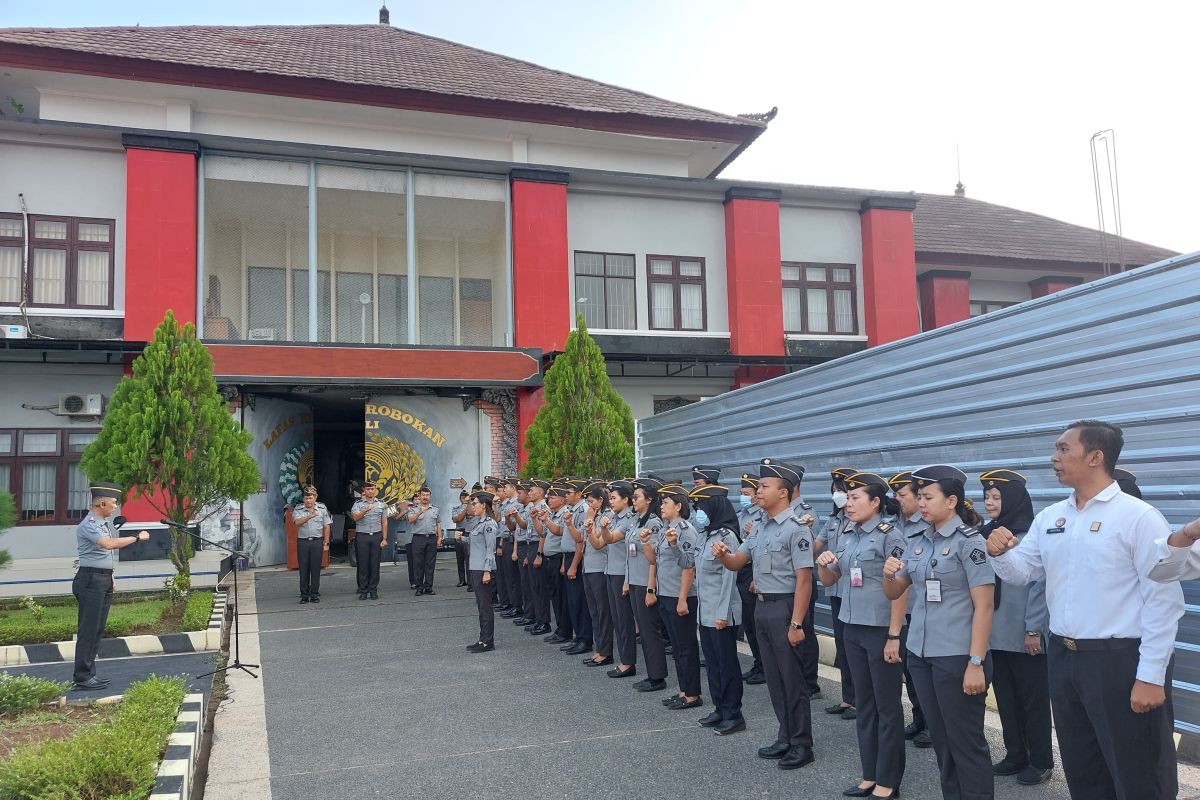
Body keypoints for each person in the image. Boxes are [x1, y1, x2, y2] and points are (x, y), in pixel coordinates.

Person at [986, 420, 1183, 799]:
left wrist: (1151, 675)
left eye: (1063, 449)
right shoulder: (1052, 517)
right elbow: (1022, 572)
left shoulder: (1137, 517)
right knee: (1083, 765)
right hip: (1065, 657)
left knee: (1137, 770)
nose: (1053, 457)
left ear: (1096, 457)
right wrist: (1000, 553)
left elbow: (1163, 600)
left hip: (1120, 661)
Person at [882, 464, 995, 800]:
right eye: (919, 497)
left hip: (958, 657)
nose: (921, 503)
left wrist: (976, 661)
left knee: (967, 744)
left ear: (951, 501)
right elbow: (895, 593)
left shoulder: (970, 544)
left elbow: (985, 607)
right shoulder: (915, 541)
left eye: (928, 497)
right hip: (921, 654)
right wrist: (890, 575)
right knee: (943, 743)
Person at [712, 458, 817, 771]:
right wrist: (723, 555)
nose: (757, 491)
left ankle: (802, 744)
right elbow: (737, 562)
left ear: (783, 493)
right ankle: (785, 735)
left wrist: (797, 623)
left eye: (764, 486)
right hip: (762, 606)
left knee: (793, 680)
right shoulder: (759, 527)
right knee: (774, 679)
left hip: (785, 607)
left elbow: (804, 579)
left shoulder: (796, 529)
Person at [817, 472, 907, 799]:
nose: (848, 503)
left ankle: (888, 781)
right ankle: (869, 774)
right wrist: (824, 564)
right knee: (864, 704)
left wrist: (894, 636)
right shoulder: (848, 534)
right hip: (852, 626)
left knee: (887, 707)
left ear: (875, 502)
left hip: (881, 630)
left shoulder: (890, 536)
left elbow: (901, 588)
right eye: (847, 497)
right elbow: (830, 580)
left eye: (855, 498)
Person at [978, 469, 1053, 786]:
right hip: (995, 632)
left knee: (1033, 701)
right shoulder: (985, 534)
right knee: (1006, 698)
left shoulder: (1029, 537)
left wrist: (1034, 629)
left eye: (996, 497)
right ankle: (1015, 754)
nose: (989, 502)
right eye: (987, 497)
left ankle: (1041, 761)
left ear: (1013, 500)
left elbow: (1039, 586)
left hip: (1024, 633)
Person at [72, 481, 150, 690]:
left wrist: (110, 575)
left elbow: (104, 554)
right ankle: (82, 676)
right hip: (90, 581)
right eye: (113, 503)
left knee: (97, 629)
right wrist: (136, 537)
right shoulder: (89, 523)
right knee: (88, 630)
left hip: (102, 579)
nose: (115, 506)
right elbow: (108, 545)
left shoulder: (103, 523)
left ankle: (89, 674)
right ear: (101, 503)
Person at [690, 485, 745, 734]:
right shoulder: (705, 535)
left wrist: (722, 613)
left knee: (727, 664)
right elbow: (691, 566)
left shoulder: (727, 537)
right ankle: (719, 708)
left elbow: (728, 580)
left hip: (721, 613)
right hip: (705, 611)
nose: (698, 513)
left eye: (701, 507)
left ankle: (733, 713)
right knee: (712, 664)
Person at [887, 470, 932, 749]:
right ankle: (918, 718)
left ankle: (931, 723)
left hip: (920, 607)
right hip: (900, 608)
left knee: (925, 670)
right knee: (910, 671)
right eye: (895, 494)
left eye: (902, 494)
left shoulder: (927, 525)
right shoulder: (892, 526)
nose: (897, 499)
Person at [647, 484, 702, 710]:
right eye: (661, 503)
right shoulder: (665, 528)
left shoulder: (685, 529)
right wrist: (644, 543)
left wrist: (682, 598)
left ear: (678, 506)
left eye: (666, 503)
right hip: (666, 593)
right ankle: (683, 690)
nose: (661, 506)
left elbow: (689, 567)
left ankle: (693, 695)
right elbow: (654, 560)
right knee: (677, 647)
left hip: (681, 595)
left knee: (686, 646)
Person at [817, 466, 858, 719]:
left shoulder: (859, 521)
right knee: (842, 645)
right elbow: (816, 546)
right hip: (834, 589)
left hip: (853, 592)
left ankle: (860, 701)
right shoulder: (832, 521)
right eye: (834, 492)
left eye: (841, 491)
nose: (838, 496)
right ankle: (848, 698)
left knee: (854, 648)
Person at [629, 478, 669, 693]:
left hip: (646, 582)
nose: (633, 500)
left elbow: (654, 559)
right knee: (643, 631)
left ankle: (657, 676)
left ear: (649, 499)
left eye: (637, 497)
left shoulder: (653, 522)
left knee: (650, 631)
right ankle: (652, 673)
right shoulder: (637, 520)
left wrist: (651, 588)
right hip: (635, 581)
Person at [595, 480, 638, 679]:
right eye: (609, 498)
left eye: (614, 498)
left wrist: (604, 528)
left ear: (626, 499)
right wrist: (590, 530)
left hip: (622, 573)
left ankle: (628, 662)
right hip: (611, 571)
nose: (610, 501)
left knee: (624, 620)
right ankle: (624, 659)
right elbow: (598, 544)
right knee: (616, 618)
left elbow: (610, 538)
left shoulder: (629, 519)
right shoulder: (613, 517)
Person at [734, 473, 767, 685]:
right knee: (747, 622)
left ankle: (765, 666)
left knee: (756, 624)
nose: (743, 497)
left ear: (756, 496)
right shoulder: (741, 514)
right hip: (741, 570)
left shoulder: (762, 516)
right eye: (742, 493)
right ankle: (758, 663)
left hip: (753, 572)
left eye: (747, 494)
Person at [459, 490, 499, 653]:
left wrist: (487, 570)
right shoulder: (479, 523)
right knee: (481, 606)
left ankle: (488, 641)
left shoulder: (489, 524)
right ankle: (482, 639)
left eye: (475, 503)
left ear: (484, 505)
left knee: (485, 606)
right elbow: (475, 542)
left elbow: (490, 549)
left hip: (483, 569)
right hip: (475, 568)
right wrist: (461, 538)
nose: (472, 506)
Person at [580, 481, 614, 667]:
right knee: (594, 611)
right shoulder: (593, 515)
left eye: (592, 500)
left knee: (603, 612)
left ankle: (606, 651)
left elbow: (597, 543)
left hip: (600, 569)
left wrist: (590, 522)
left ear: (602, 500)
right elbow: (581, 540)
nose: (590, 504)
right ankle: (599, 648)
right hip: (589, 567)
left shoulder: (606, 517)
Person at [560, 479, 594, 657]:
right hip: (568, 557)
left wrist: (573, 565)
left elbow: (580, 541)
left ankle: (584, 639)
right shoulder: (571, 510)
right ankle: (578, 636)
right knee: (572, 601)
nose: (565, 495)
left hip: (577, 558)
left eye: (569, 493)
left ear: (579, 494)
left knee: (580, 602)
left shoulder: (583, 511)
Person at [350, 482, 392, 600]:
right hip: (362, 536)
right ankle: (363, 590)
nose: (370, 491)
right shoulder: (358, 504)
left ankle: (373, 590)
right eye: (368, 489)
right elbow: (355, 518)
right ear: (364, 490)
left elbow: (384, 521)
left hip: (376, 536)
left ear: (375, 490)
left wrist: (384, 538)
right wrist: (365, 511)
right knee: (363, 564)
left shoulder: (381, 504)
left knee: (375, 564)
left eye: (372, 489)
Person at [293, 485, 331, 604]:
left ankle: (314, 594)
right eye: (306, 498)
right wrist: (309, 516)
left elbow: (326, 526)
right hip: (303, 542)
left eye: (311, 498)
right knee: (303, 569)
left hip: (317, 541)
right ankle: (304, 595)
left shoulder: (322, 508)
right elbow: (297, 522)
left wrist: (326, 542)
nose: (308, 501)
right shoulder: (298, 509)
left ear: (315, 497)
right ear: (303, 499)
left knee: (315, 568)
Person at [407, 485, 441, 596]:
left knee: (430, 564)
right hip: (418, 538)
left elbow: (438, 524)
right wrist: (419, 512)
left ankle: (428, 587)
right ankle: (419, 587)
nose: (425, 497)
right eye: (423, 495)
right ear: (420, 496)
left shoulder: (435, 509)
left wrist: (439, 538)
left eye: (427, 495)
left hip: (431, 538)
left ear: (430, 496)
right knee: (418, 564)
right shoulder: (413, 509)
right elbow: (410, 520)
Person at [450, 488, 472, 588]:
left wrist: (468, 506)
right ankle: (462, 580)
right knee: (460, 558)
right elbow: (458, 519)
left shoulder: (472, 507)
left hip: (468, 532)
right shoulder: (456, 508)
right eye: (463, 497)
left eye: (466, 497)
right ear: (460, 498)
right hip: (459, 531)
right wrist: (465, 508)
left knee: (468, 558)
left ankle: (470, 581)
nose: (464, 499)